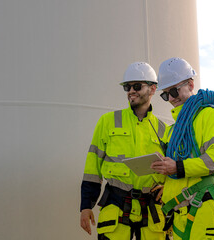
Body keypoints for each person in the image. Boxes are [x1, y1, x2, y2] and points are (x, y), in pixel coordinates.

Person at [80, 62, 167, 240]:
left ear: (152, 89)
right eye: (127, 87)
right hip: (116, 203)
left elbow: (170, 170)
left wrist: (168, 187)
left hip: (151, 210)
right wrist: (86, 205)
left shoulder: (164, 130)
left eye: (136, 86)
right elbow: (92, 166)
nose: (131, 91)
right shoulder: (107, 121)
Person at [151, 57, 214, 240]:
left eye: (173, 91)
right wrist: (164, 176)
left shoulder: (211, 116)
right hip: (179, 215)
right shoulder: (172, 130)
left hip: (203, 211)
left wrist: (178, 167)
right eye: (165, 95)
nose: (171, 98)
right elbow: (174, 169)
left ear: (190, 84)